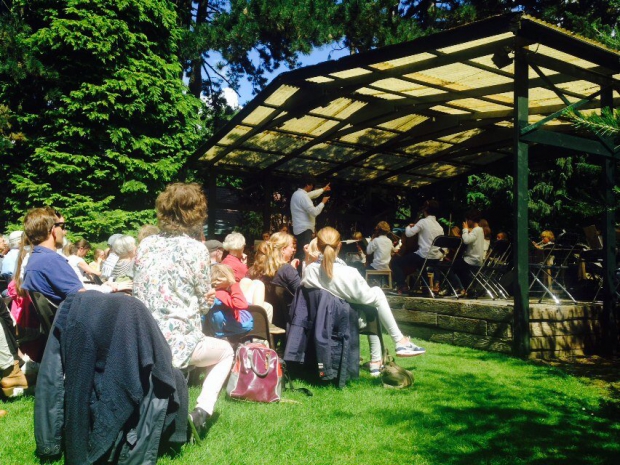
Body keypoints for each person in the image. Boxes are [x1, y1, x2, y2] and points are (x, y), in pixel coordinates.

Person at [133, 182, 233, 439]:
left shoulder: (145, 245)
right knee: (225, 352)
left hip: (144, 340)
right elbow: (202, 305)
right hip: (177, 343)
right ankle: (201, 412)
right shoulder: (196, 249)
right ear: (195, 214)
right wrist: (208, 299)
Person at [302, 227, 425, 376]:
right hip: (345, 321)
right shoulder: (349, 273)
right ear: (339, 245)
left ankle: (378, 360)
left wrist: (308, 259)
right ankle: (398, 342)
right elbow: (368, 297)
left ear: (319, 247)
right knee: (376, 298)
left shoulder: (310, 271)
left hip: (322, 319)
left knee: (371, 303)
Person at [20, 207, 85, 305]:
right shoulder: (51, 261)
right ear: (54, 230)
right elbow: (82, 297)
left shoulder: (34, 259)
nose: (64, 232)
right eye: (62, 226)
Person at [391, 200, 444, 294]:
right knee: (420, 265)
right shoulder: (440, 227)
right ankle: (425, 288)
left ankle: (402, 286)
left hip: (423, 255)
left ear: (425, 210)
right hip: (435, 258)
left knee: (395, 262)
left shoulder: (423, 222)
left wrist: (409, 226)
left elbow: (408, 234)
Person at [443, 210, 485, 296]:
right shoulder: (480, 230)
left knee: (448, 267)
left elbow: (466, 240)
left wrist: (465, 229)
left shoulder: (476, 230)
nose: (465, 222)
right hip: (477, 259)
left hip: (471, 259)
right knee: (459, 269)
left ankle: (459, 287)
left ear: (470, 220)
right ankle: (466, 289)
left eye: (466, 220)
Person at [208, 264, 253, 338]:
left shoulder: (216, 292)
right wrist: (233, 284)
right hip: (231, 330)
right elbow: (242, 304)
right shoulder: (221, 294)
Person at [290, 178, 331, 259]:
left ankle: (298, 270)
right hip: (305, 229)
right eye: (312, 185)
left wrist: (323, 189)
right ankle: (302, 271)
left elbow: (311, 194)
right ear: (308, 185)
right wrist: (323, 202)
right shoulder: (303, 196)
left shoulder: (296, 194)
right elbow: (314, 212)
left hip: (298, 229)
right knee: (304, 254)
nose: (312, 188)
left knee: (300, 252)